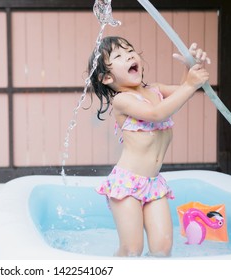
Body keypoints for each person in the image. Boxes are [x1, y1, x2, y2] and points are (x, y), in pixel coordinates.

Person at [89, 36, 210, 257]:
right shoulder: (122, 100)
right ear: (106, 77)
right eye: (119, 56)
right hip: (127, 184)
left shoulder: (155, 90)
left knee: (162, 249)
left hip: (154, 184)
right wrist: (191, 83)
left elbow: (184, 92)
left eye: (130, 51)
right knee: (132, 249)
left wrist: (191, 66)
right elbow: (157, 113)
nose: (129, 56)